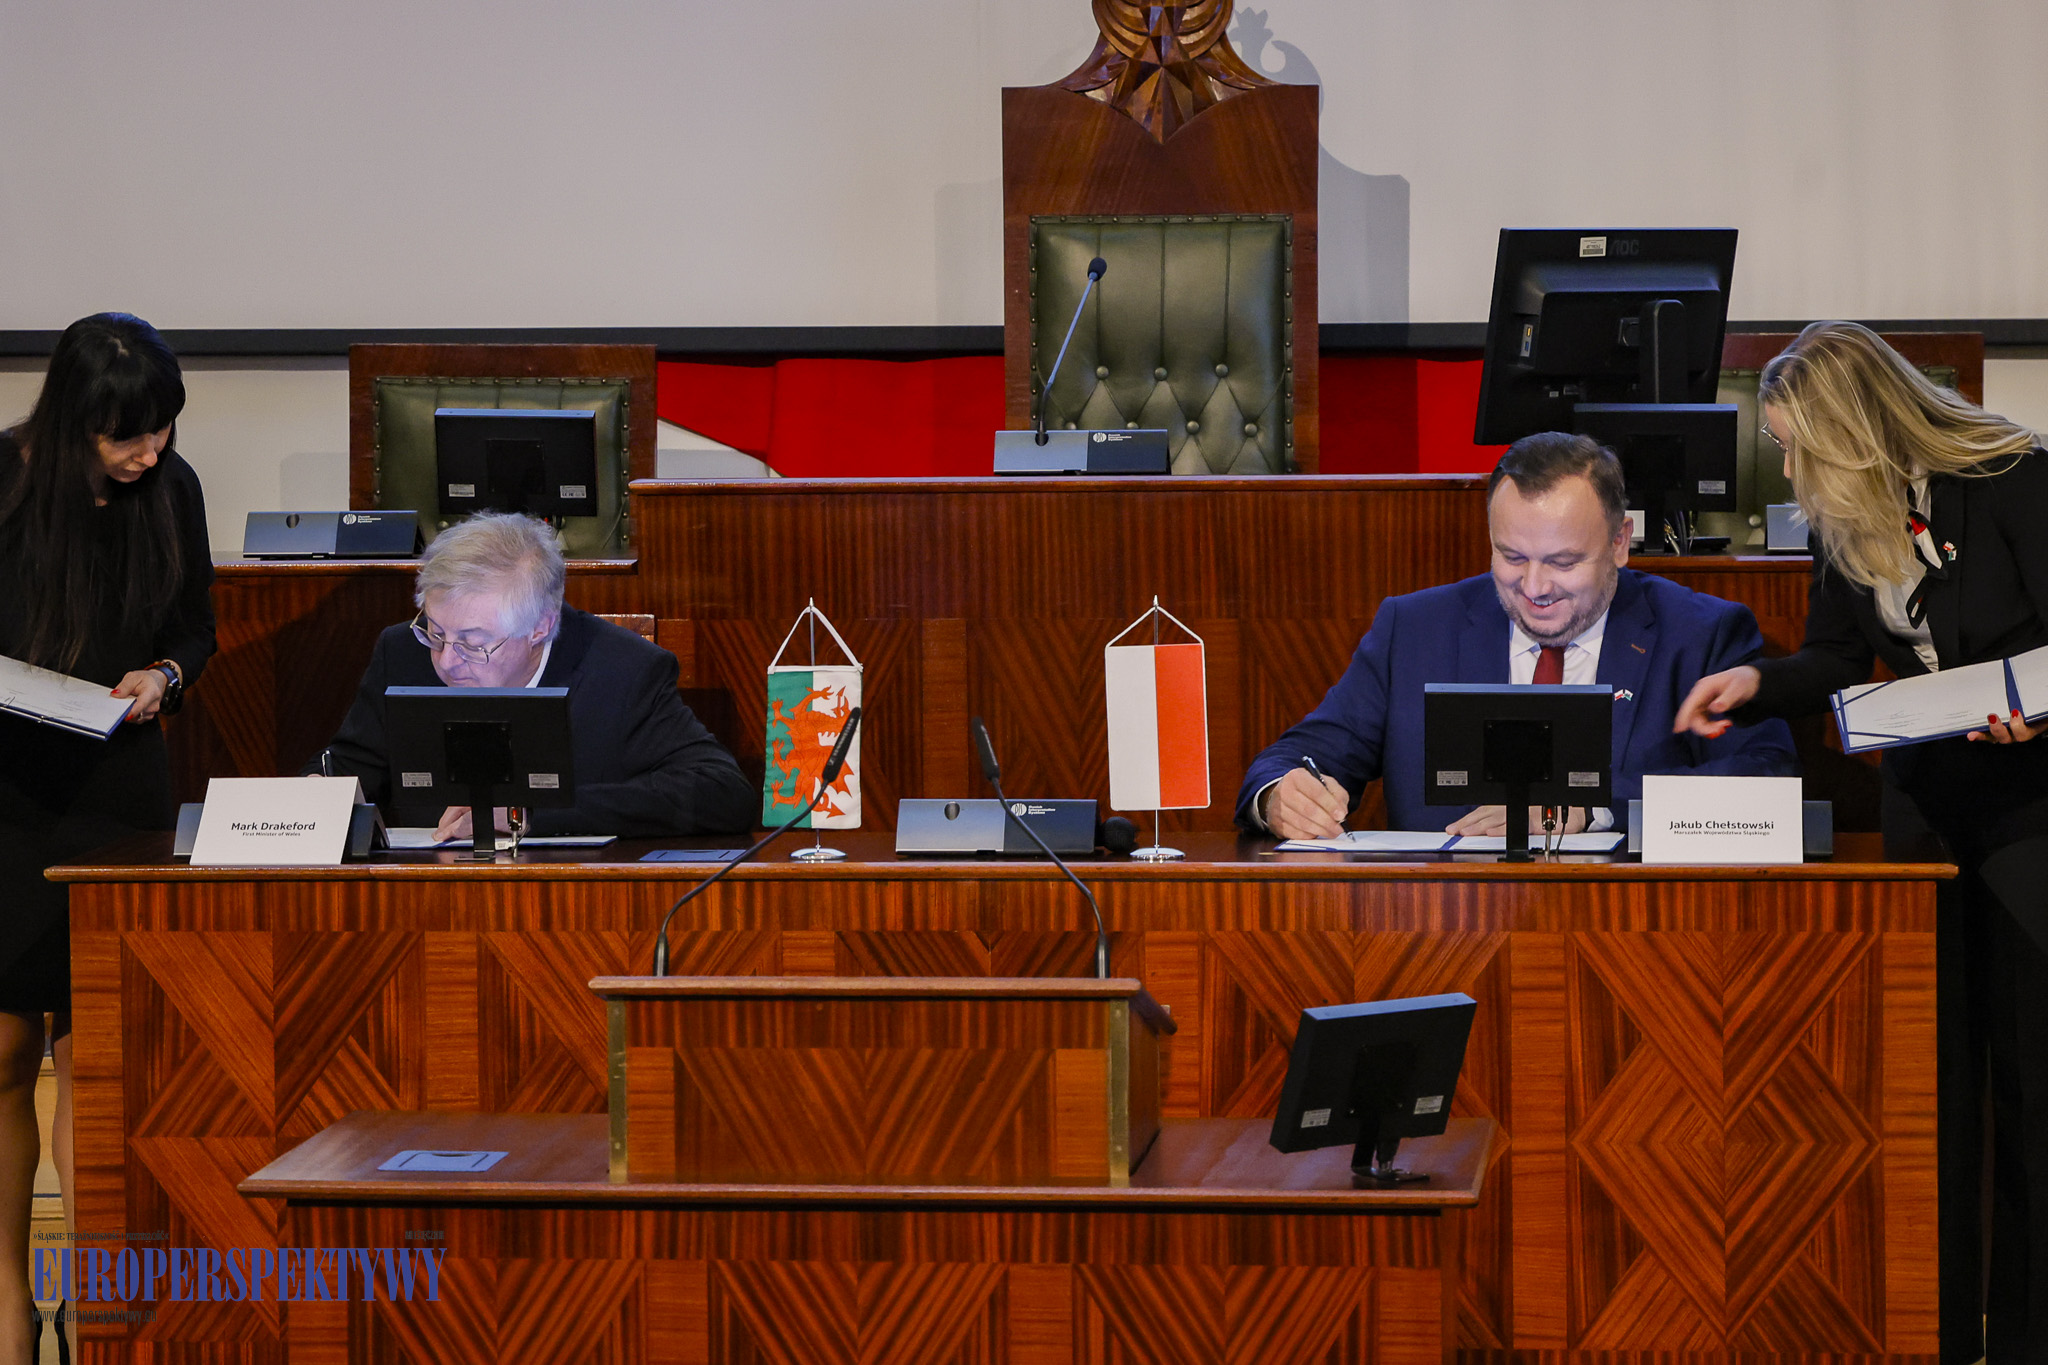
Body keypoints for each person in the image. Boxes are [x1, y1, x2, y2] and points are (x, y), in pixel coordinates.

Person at [1674, 320, 2048, 1364]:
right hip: (1925, 812)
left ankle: (2022, 1337)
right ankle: (1935, 1329)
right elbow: (1836, 659)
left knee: (2025, 1084)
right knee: (1933, 1090)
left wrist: (2035, 709)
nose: (1787, 469)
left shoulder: (2015, 481)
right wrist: (1754, 685)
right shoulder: (1839, 523)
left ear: (1854, 433)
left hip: (2029, 811)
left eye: (1797, 447)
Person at [1240, 431, 1796, 839]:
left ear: (1621, 542)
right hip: (1440, 931)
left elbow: (1765, 781)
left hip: (1635, 933)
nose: (1535, 587)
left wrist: (1582, 809)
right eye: (1511, 557)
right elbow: (1298, 756)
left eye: (1562, 561)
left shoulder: (1699, 636)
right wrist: (1279, 797)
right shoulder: (1413, 630)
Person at [0, 313, 213, 1363]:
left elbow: (196, 628)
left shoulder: (171, 491)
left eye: (161, 431)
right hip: (2, 793)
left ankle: (94, 1315)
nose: (149, 455)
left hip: (117, 782)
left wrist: (163, 678)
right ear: (73, 420)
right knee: (1, 1050)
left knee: (97, 1057)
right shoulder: (3, 485)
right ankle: (7, 1313)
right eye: (126, 437)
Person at [319, 511, 755, 837]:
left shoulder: (623, 671)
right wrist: (307, 801)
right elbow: (347, 771)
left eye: (473, 642)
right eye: (435, 633)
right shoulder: (401, 651)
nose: (448, 660)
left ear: (540, 627)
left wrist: (524, 813)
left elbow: (721, 793)